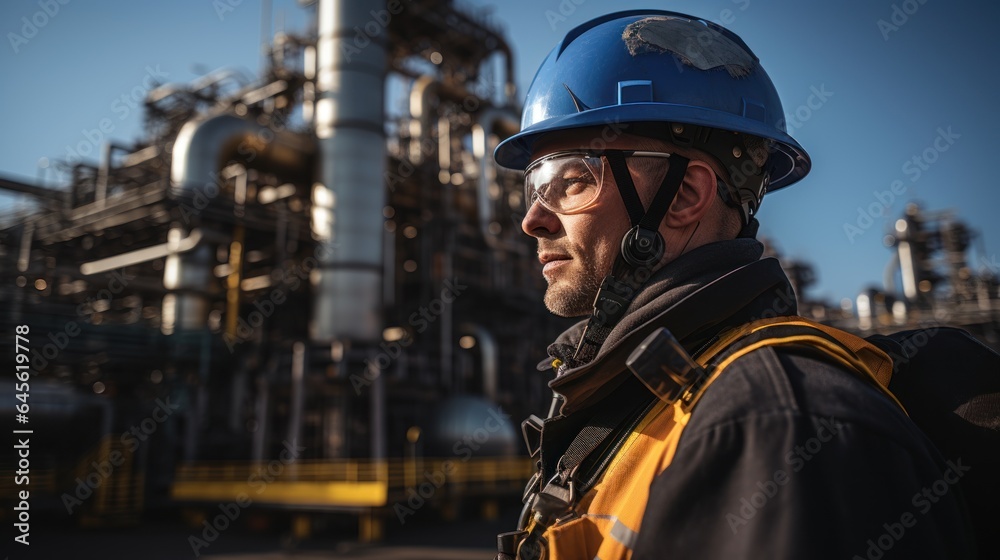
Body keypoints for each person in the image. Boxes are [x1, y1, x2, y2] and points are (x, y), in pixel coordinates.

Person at [491, 9, 977, 560]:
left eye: (570, 179)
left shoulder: (775, 428)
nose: (533, 219)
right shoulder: (638, 402)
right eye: (535, 185)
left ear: (685, 195)